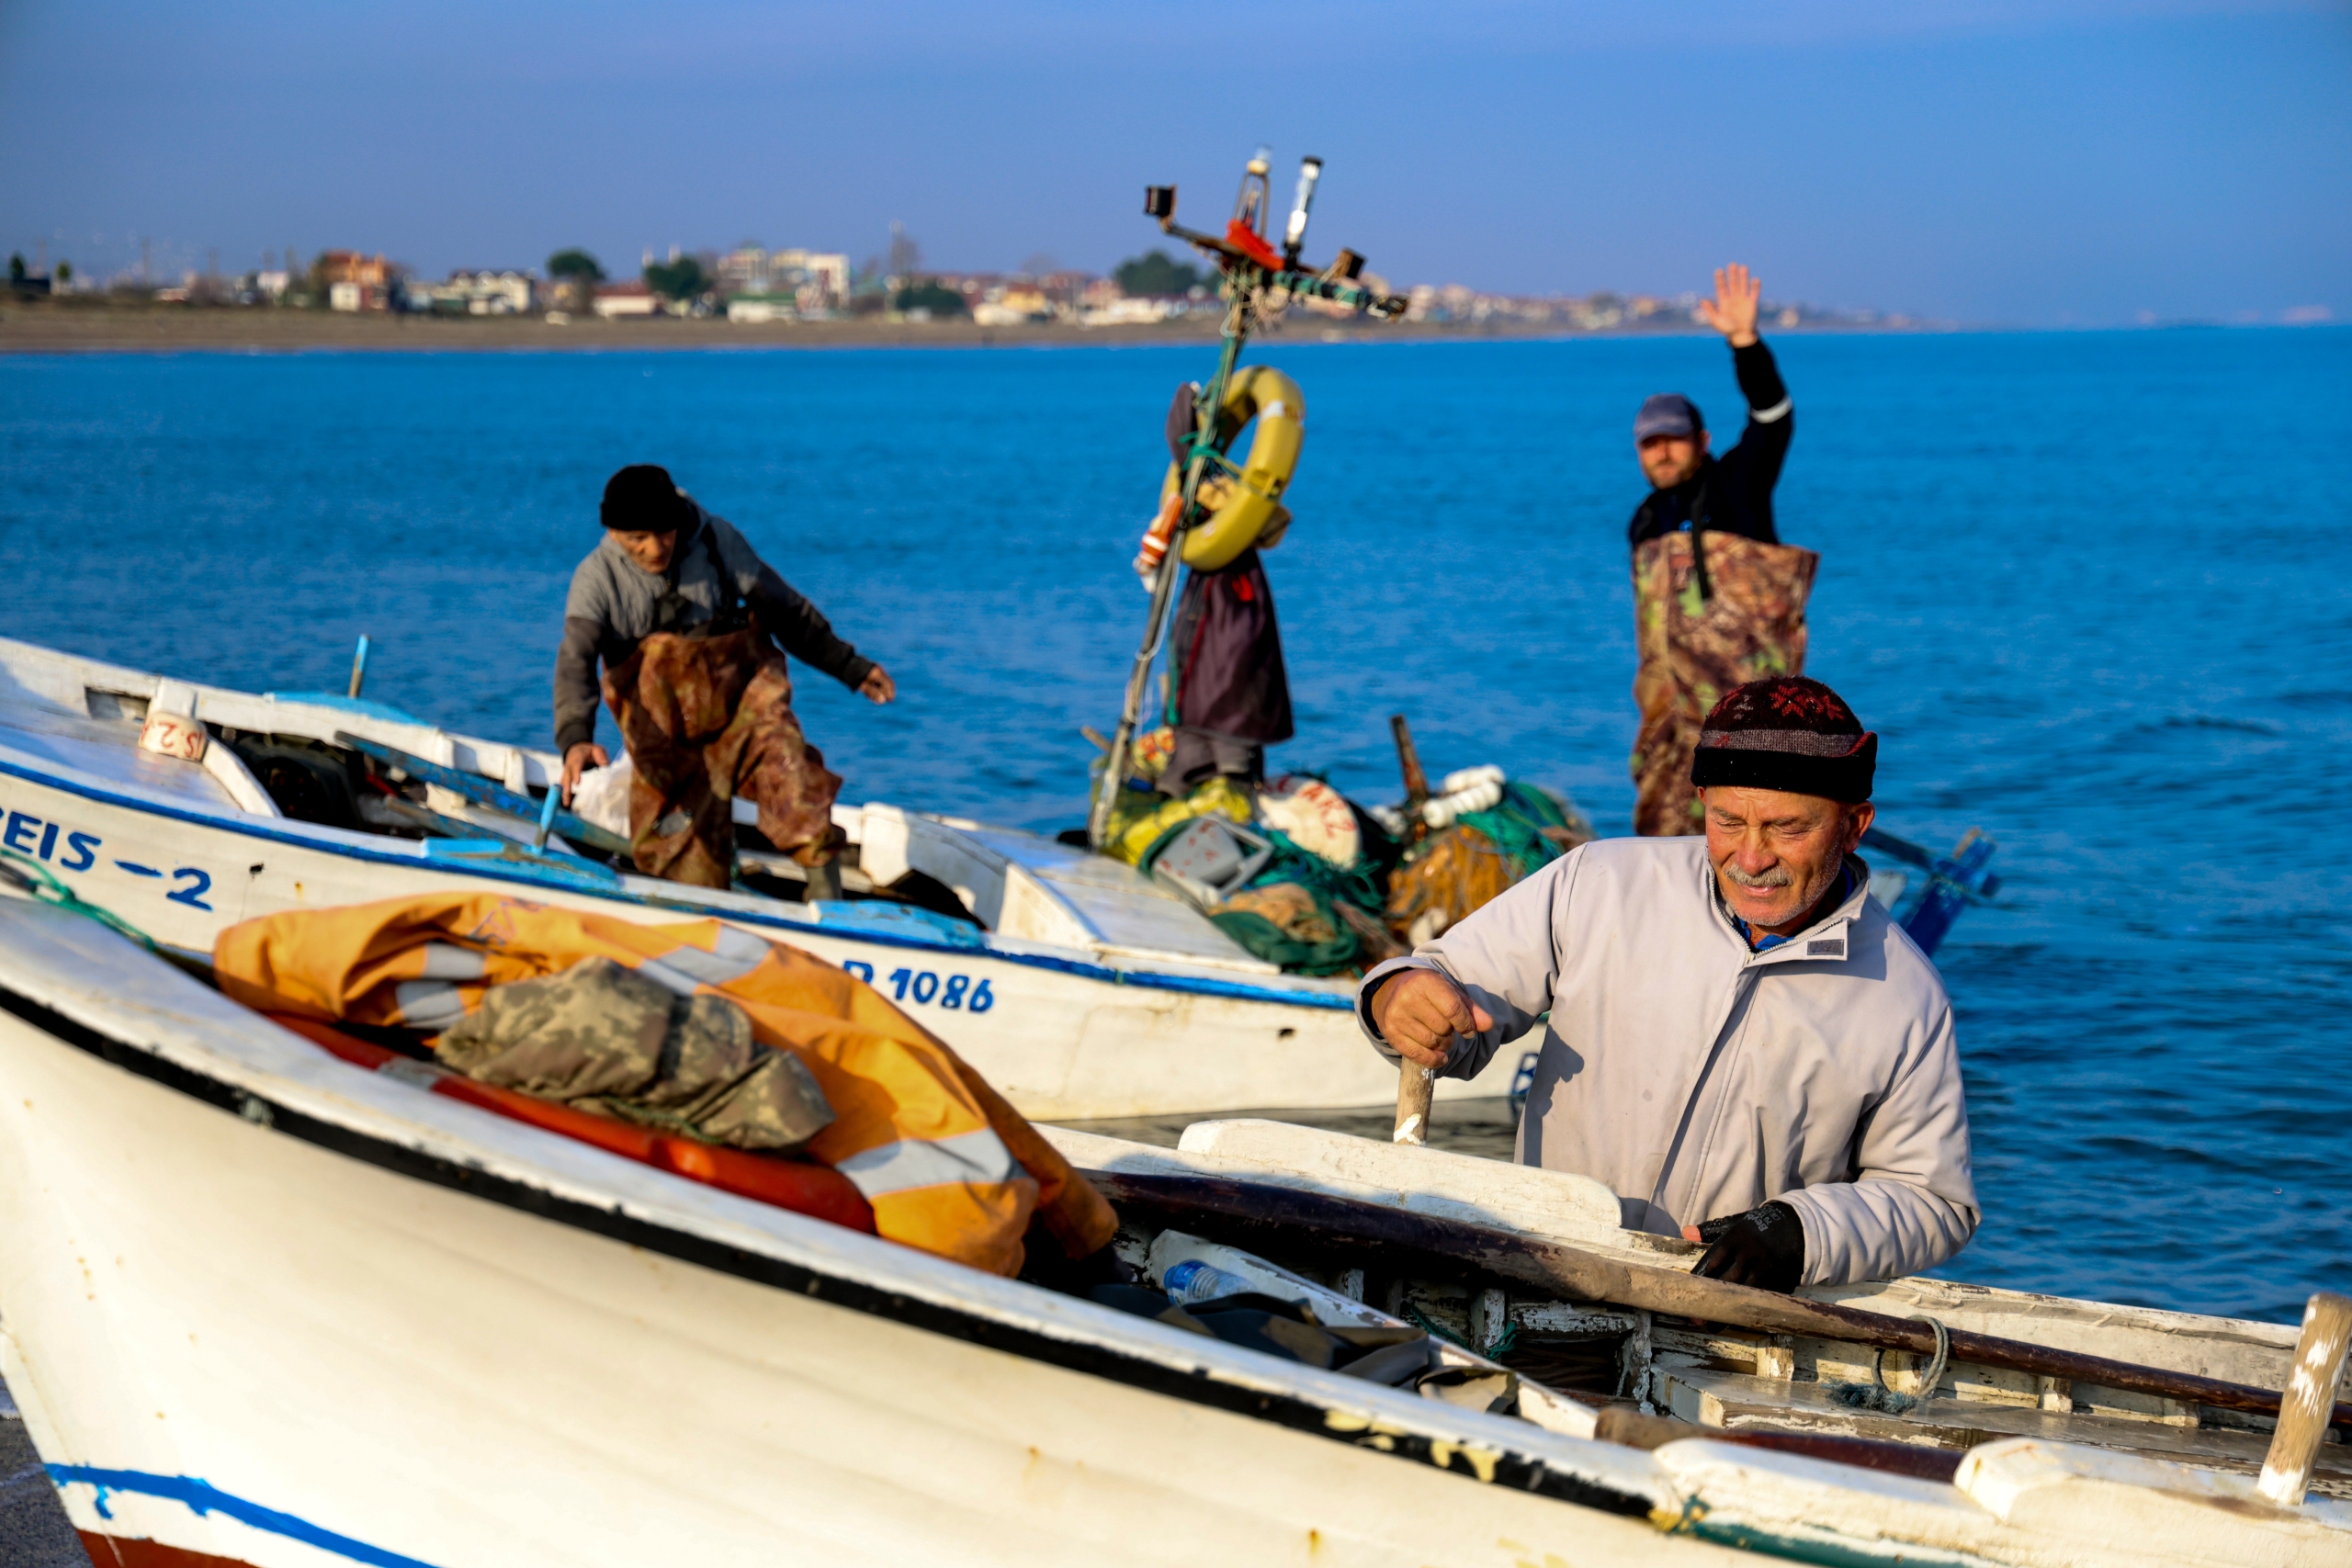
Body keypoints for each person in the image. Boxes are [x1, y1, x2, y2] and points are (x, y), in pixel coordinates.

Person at [1356, 676, 1976, 1292]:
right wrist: (1397, 994)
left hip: (1726, 1332)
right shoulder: (1598, 884)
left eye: (1788, 828)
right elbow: (1448, 987)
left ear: (1854, 824)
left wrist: (1803, 1230)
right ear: (1702, 798)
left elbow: (1932, 1199)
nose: (1752, 858)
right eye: (1728, 820)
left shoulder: (1905, 995)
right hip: (1542, 1284)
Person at [554, 464, 894, 895]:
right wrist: (575, 737)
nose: (655, 548)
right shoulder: (596, 580)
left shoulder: (716, 542)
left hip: (745, 710)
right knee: (675, 847)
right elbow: (574, 663)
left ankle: (829, 903)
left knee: (795, 779)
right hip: (666, 739)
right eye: (637, 538)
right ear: (614, 533)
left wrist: (851, 667)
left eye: (664, 532)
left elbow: (787, 612)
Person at [1625, 264, 1817, 838]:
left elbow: (1772, 418)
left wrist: (1744, 343)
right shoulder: (1645, 522)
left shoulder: (1739, 485)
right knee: (1661, 857)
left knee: (1750, 839)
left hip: (1746, 721)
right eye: (1649, 444)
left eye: (1673, 440)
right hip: (1666, 728)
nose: (1661, 454)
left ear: (1702, 442)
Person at [1144, 380, 1295, 796]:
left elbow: (1270, 522)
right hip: (1214, 593)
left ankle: (1228, 774)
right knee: (1208, 679)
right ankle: (1198, 768)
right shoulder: (1194, 482)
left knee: (1228, 676)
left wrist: (1226, 496)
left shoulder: (1217, 484)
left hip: (1228, 594)